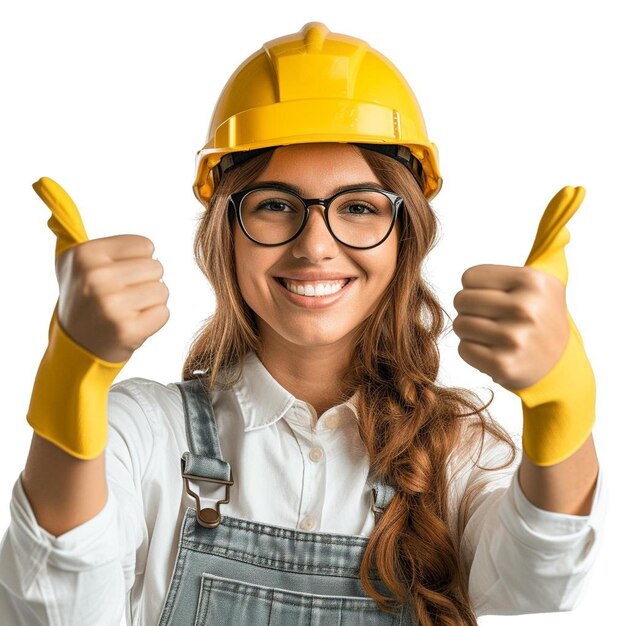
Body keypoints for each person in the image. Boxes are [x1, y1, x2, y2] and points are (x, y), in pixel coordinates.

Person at [0, 21, 606, 626]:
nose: (316, 246)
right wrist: (71, 381)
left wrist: (561, 402)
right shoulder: (141, 435)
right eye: (274, 205)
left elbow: (541, 582)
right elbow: (56, 609)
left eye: (359, 208)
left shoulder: (456, 452)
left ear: (406, 236)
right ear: (225, 235)